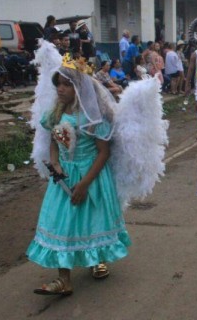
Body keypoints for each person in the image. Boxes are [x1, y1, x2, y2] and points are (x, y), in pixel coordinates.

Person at [27, 57, 131, 295]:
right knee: (62, 223)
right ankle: (64, 279)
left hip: (91, 175)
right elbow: (54, 139)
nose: (61, 89)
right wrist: (55, 162)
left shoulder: (94, 117)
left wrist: (85, 183)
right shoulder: (56, 112)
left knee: (92, 220)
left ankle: (97, 259)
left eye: (66, 84)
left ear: (79, 87)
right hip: (64, 177)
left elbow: (103, 152)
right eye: (58, 84)